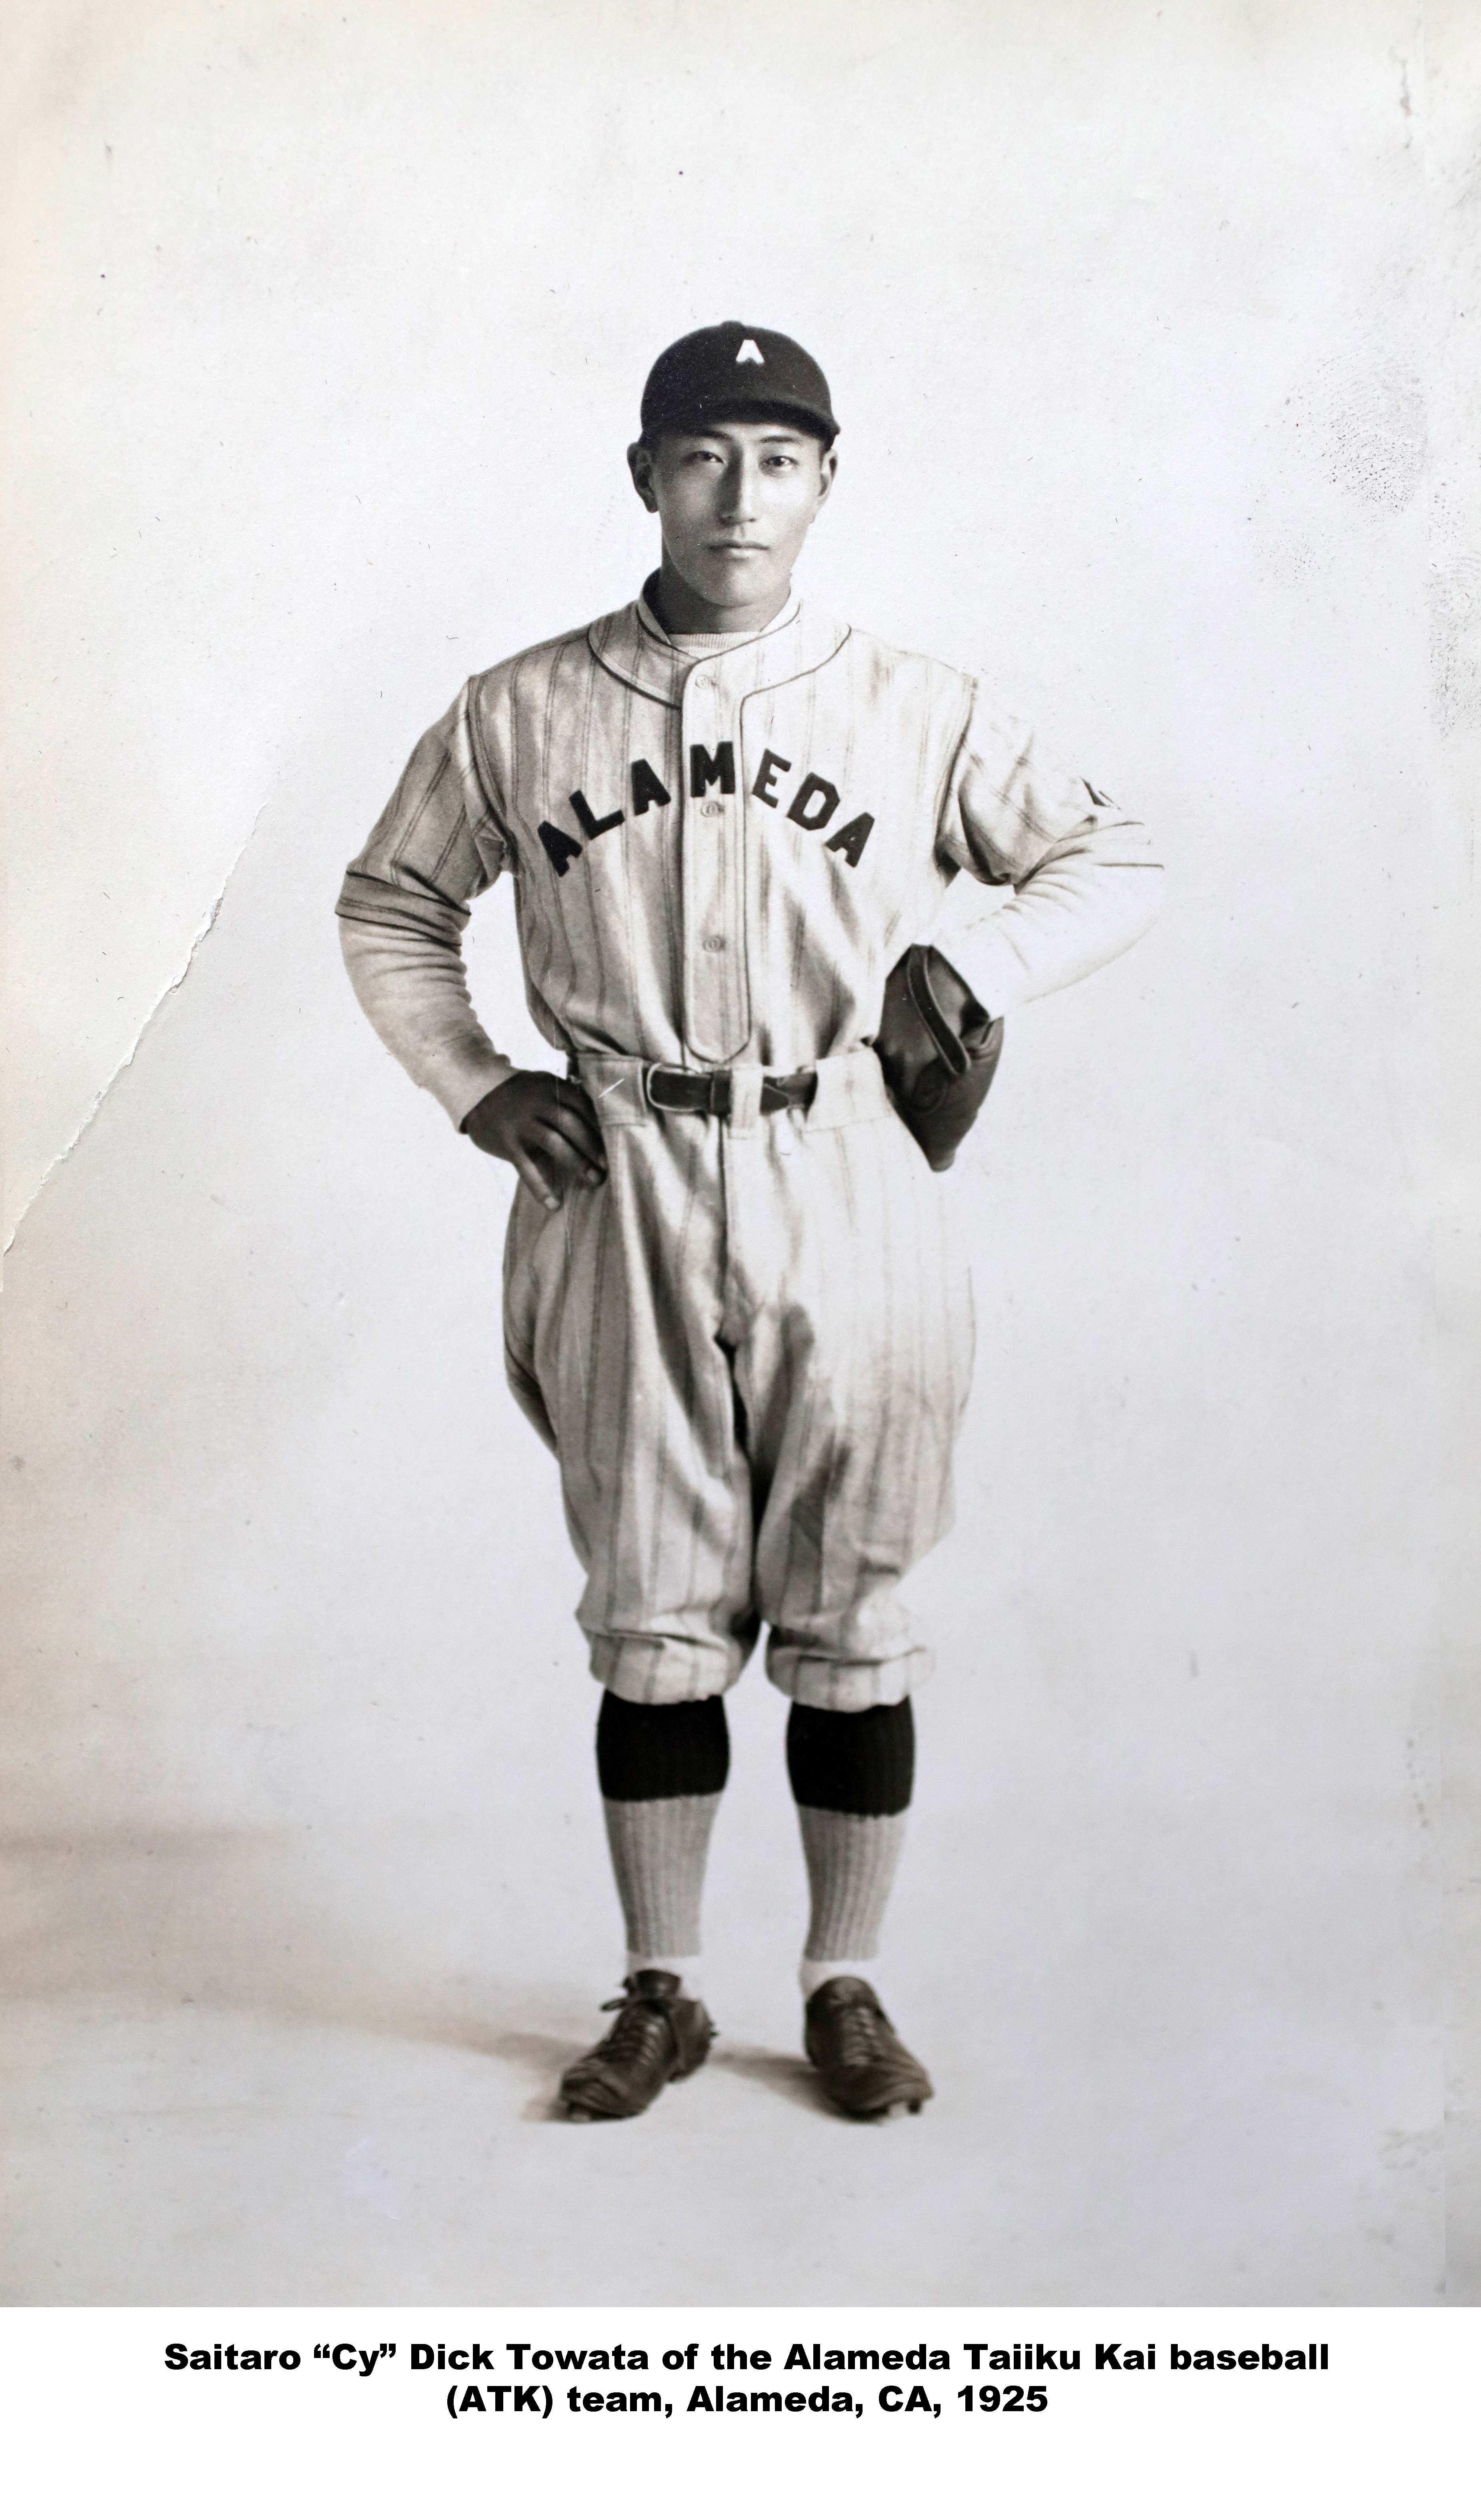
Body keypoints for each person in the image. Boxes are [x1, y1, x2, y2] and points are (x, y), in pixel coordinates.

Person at [336, 320, 1163, 2122]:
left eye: (778, 459)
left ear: (826, 483)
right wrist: (476, 1082)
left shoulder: (918, 700)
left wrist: (966, 953)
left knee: (852, 1607)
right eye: (704, 454)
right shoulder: (517, 706)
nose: (739, 493)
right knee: (651, 1603)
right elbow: (392, 902)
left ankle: (842, 1985)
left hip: (845, 1166)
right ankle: (661, 1989)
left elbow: (1115, 857)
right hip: (616, 1169)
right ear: (644, 475)